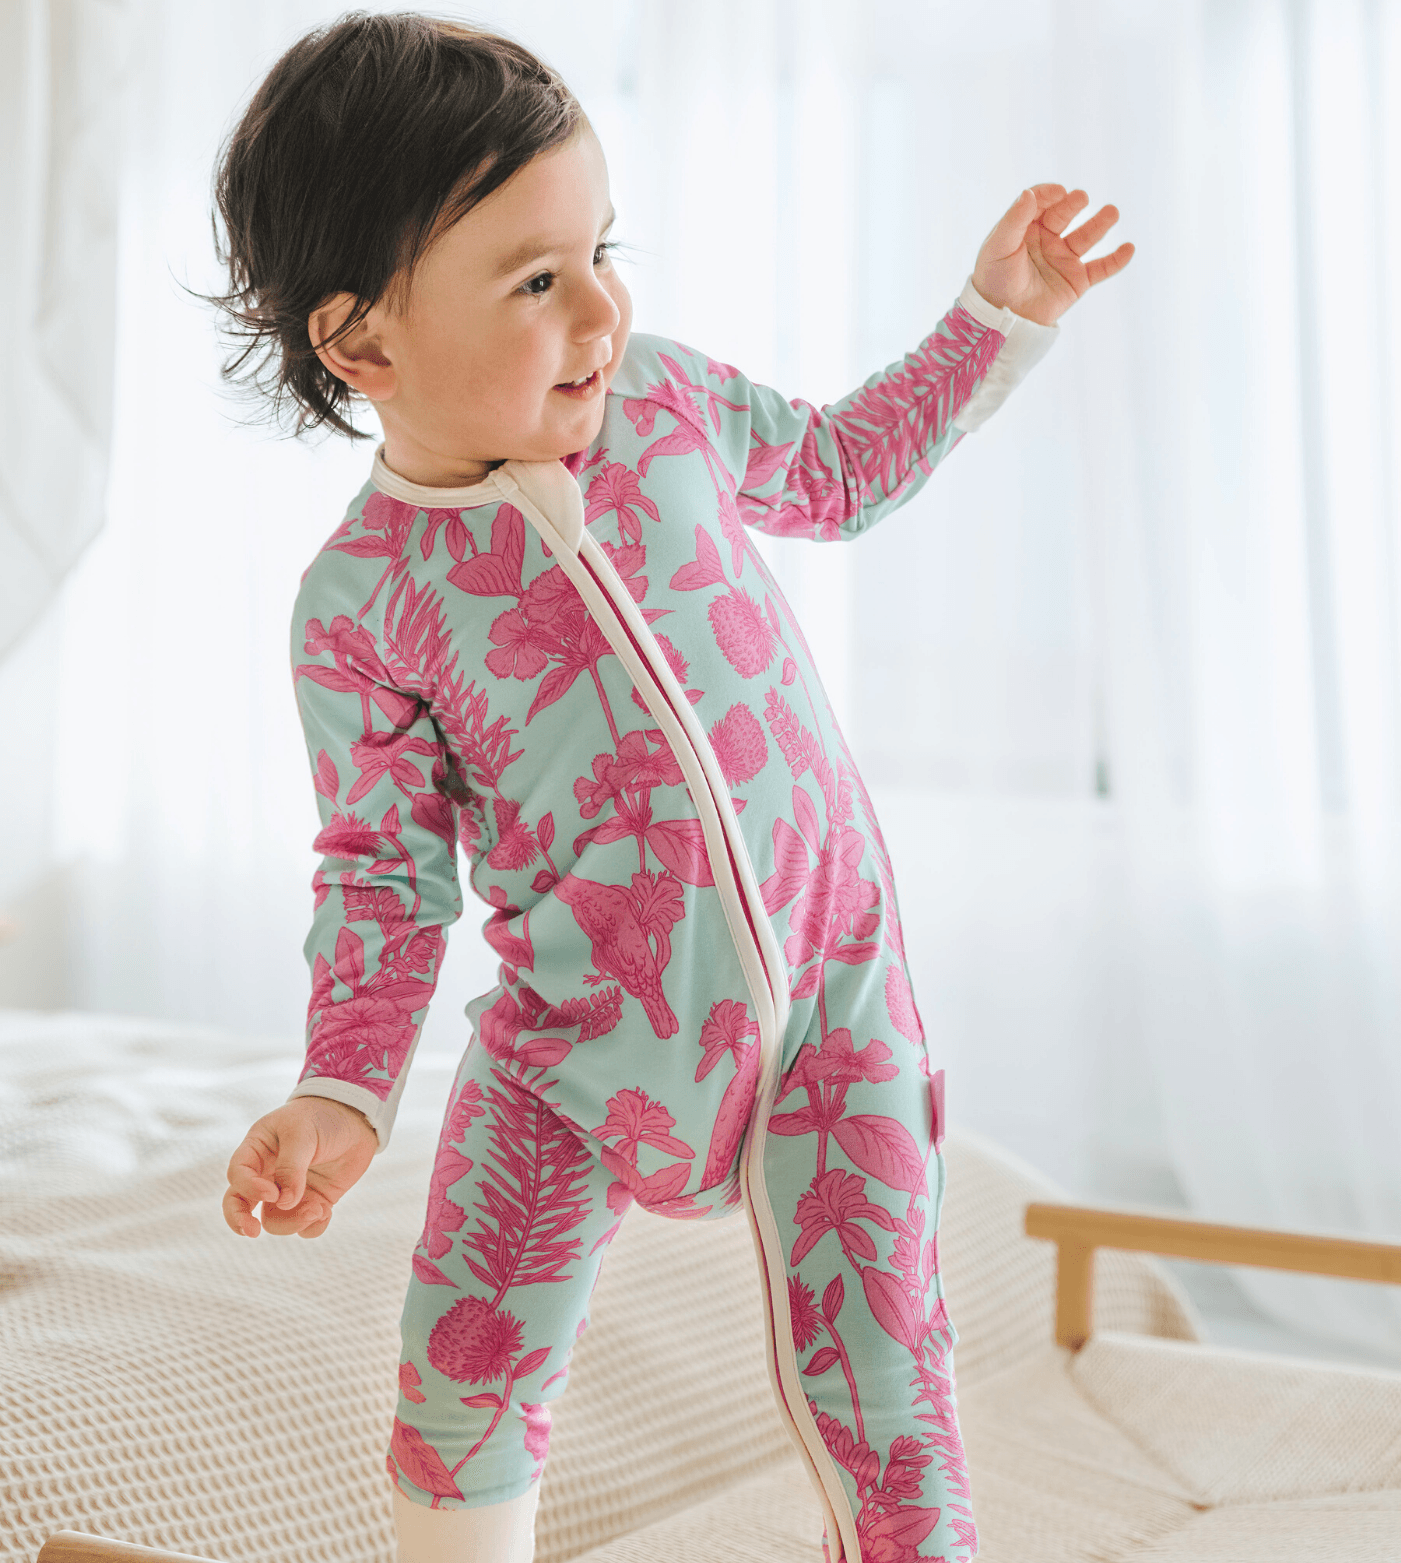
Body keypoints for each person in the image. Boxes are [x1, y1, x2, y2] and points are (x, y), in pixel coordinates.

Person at [213, 13, 1132, 1562]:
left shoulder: (668, 407)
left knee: (885, 1372)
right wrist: (341, 1090)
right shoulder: (361, 603)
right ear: (362, 346)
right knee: (466, 1356)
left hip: (832, 999)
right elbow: (382, 872)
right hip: (574, 1044)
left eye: (601, 251)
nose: (601, 310)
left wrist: (996, 314)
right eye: (535, 281)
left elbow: (840, 466)